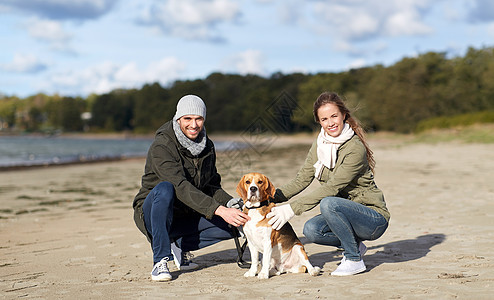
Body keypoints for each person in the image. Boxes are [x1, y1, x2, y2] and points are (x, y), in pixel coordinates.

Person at [267, 91, 390, 276]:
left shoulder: (354, 148)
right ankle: (354, 246)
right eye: (324, 119)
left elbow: (331, 187)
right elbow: (302, 178)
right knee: (312, 229)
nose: (330, 123)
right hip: (346, 214)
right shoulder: (320, 145)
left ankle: (353, 259)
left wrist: (291, 209)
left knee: (328, 202)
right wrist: (266, 197)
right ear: (319, 121)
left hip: (372, 219)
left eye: (334, 116)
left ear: (343, 115)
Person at [132, 95, 249, 281]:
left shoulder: (207, 146)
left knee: (236, 225)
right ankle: (160, 260)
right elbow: (180, 186)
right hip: (154, 211)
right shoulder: (162, 145)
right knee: (165, 189)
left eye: (198, 118)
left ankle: (178, 245)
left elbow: (211, 186)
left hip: (186, 212)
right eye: (188, 119)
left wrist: (230, 203)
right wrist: (219, 210)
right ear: (178, 119)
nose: (193, 124)